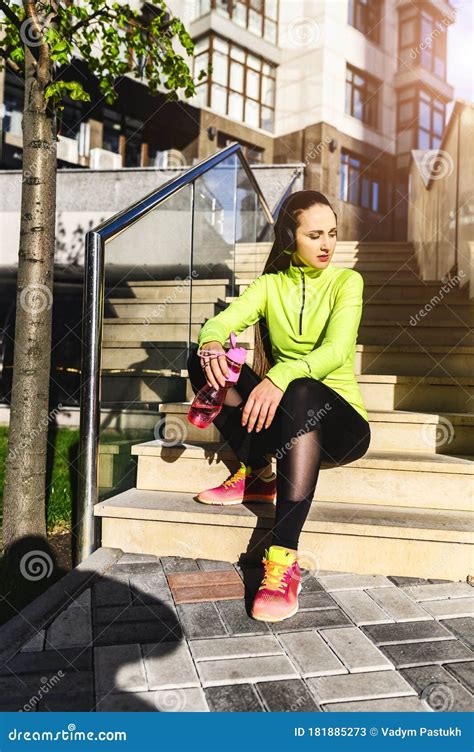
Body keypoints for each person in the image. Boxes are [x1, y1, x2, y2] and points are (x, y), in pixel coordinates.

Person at [186, 190, 371, 623]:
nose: (327, 245)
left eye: (332, 234)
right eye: (314, 235)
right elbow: (223, 322)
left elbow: (337, 351)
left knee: (303, 389)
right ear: (291, 239)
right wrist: (213, 340)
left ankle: (283, 559)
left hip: (340, 426)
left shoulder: (348, 282)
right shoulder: (269, 286)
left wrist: (278, 377)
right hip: (285, 421)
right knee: (202, 358)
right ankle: (258, 472)